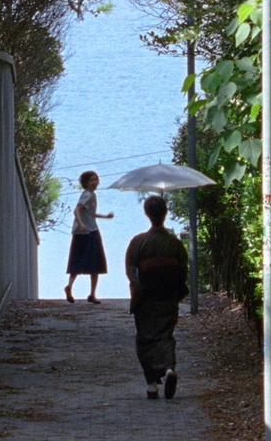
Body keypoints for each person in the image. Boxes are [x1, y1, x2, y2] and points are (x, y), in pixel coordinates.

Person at [125, 194, 188, 399]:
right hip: (168, 295)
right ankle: (169, 368)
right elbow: (183, 269)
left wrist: (137, 290)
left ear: (147, 213)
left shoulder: (138, 242)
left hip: (146, 297)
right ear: (165, 213)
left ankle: (152, 384)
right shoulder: (175, 243)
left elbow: (131, 270)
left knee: (145, 338)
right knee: (165, 335)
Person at [65, 170, 113, 304]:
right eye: (91, 180)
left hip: (89, 229)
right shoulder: (87, 194)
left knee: (82, 262)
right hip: (88, 231)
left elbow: (89, 213)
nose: (94, 182)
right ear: (85, 183)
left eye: (96, 179)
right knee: (93, 262)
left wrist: (105, 216)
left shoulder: (91, 194)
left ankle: (90, 293)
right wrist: (80, 224)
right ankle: (75, 289)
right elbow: (77, 210)